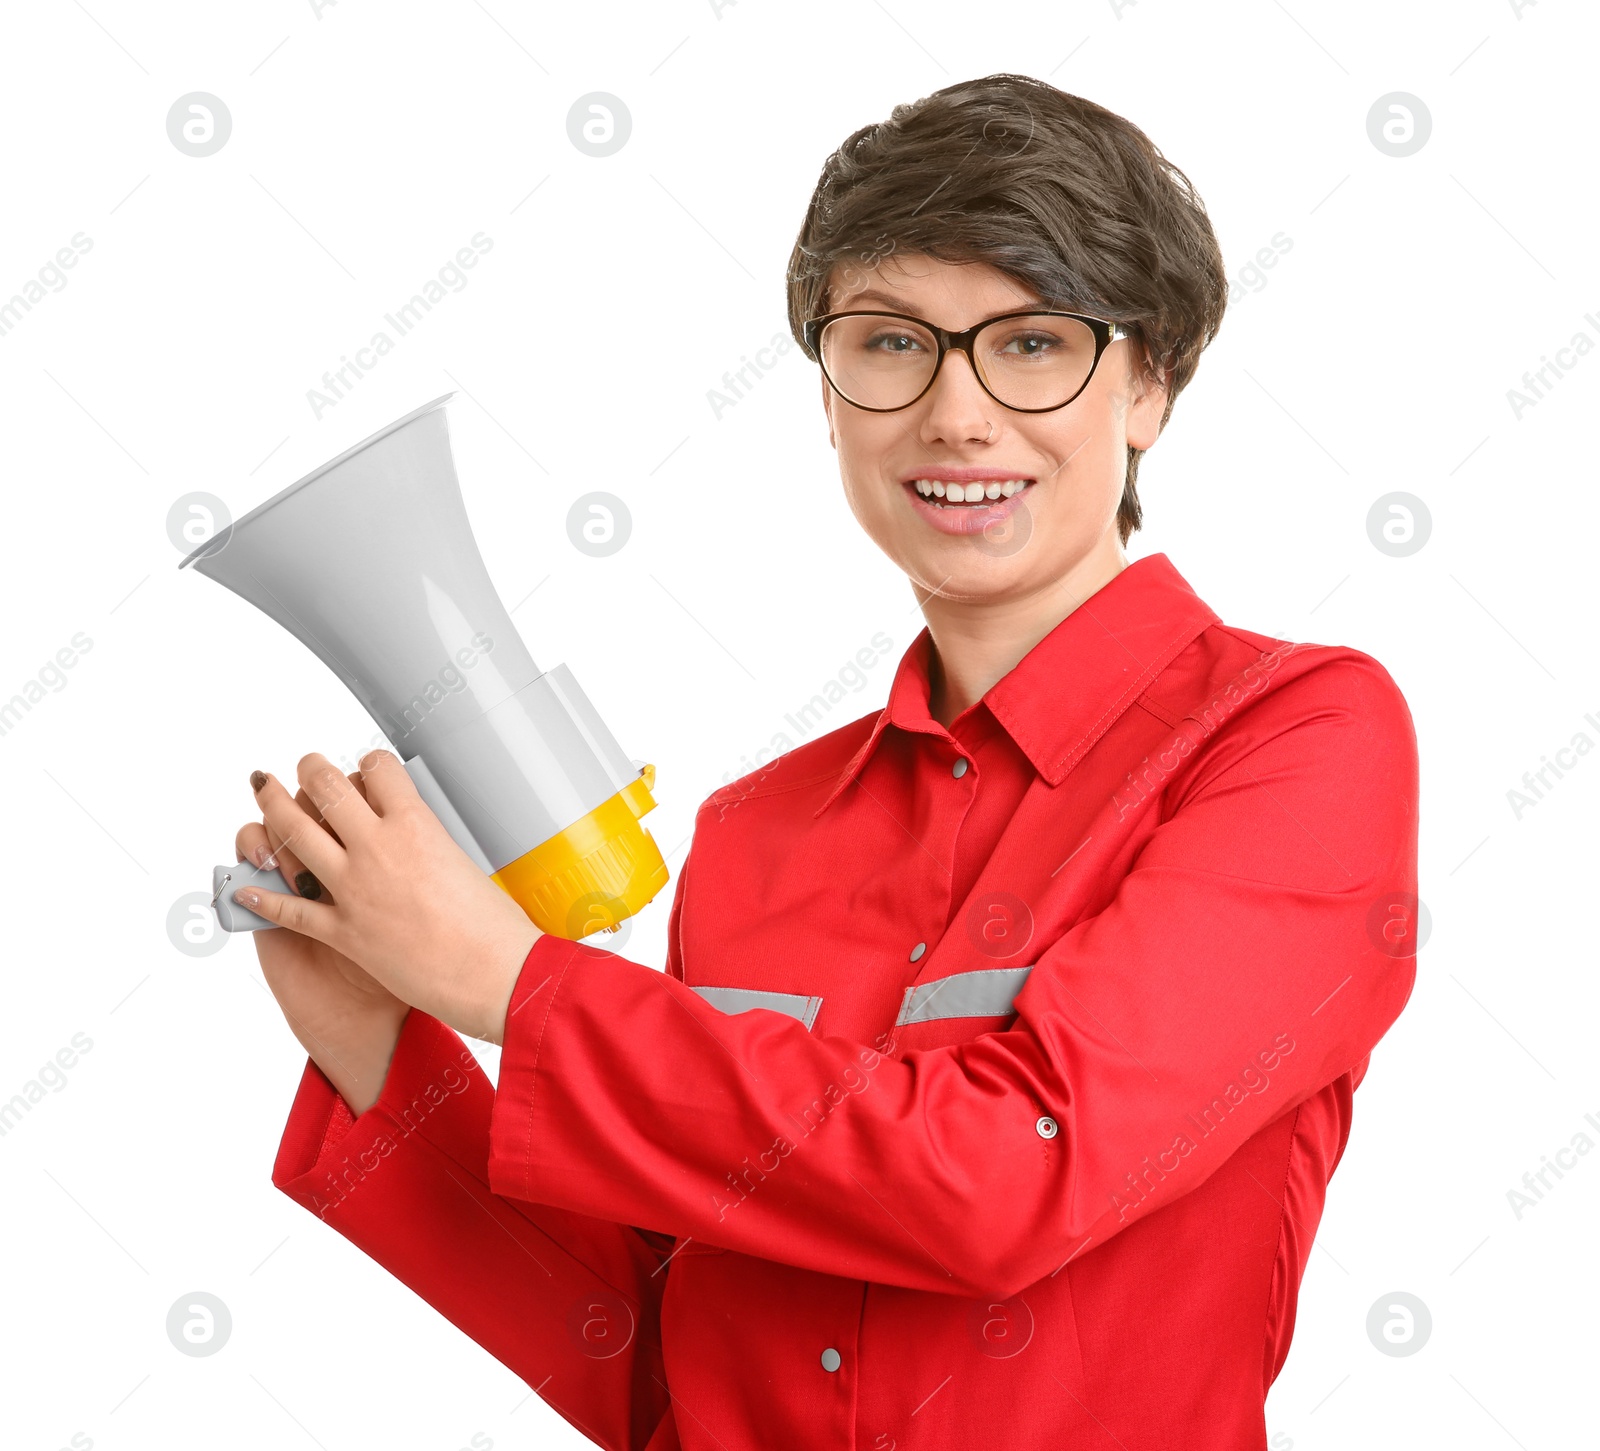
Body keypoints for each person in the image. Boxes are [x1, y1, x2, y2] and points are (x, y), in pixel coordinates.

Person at [234, 74, 1419, 1451]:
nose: (958, 417)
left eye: (1031, 345)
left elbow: (1005, 1181)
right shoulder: (759, 830)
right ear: (830, 392)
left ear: (1149, 382)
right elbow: (656, 1357)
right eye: (892, 343)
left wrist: (510, 982)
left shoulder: (1299, 739)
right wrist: (378, 1034)